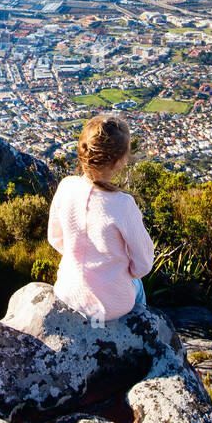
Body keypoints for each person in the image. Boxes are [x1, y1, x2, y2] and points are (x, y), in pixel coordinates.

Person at [47, 114, 154, 322]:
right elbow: (143, 264)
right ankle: (133, 333)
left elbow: (55, 238)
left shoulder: (66, 186)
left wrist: (80, 258)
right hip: (110, 305)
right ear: (117, 162)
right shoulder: (123, 204)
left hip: (69, 292)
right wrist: (118, 272)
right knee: (138, 288)